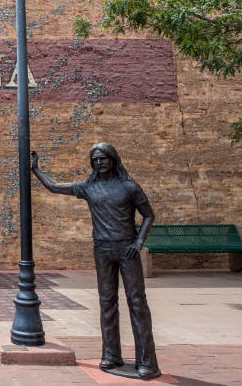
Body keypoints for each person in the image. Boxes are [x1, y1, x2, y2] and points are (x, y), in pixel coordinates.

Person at [31, 142, 161, 380]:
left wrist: (139, 242)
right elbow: (54, 187)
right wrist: (36, 170)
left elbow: (149, 215)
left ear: (113, 159)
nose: (99, 163)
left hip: (127, 248)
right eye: (95, 160)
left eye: (103, 158)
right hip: (102, 249)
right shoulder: (89, 187)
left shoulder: (129, 186)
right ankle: (111, 355)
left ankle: (147, 361)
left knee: (137, 302)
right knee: (106, 303)